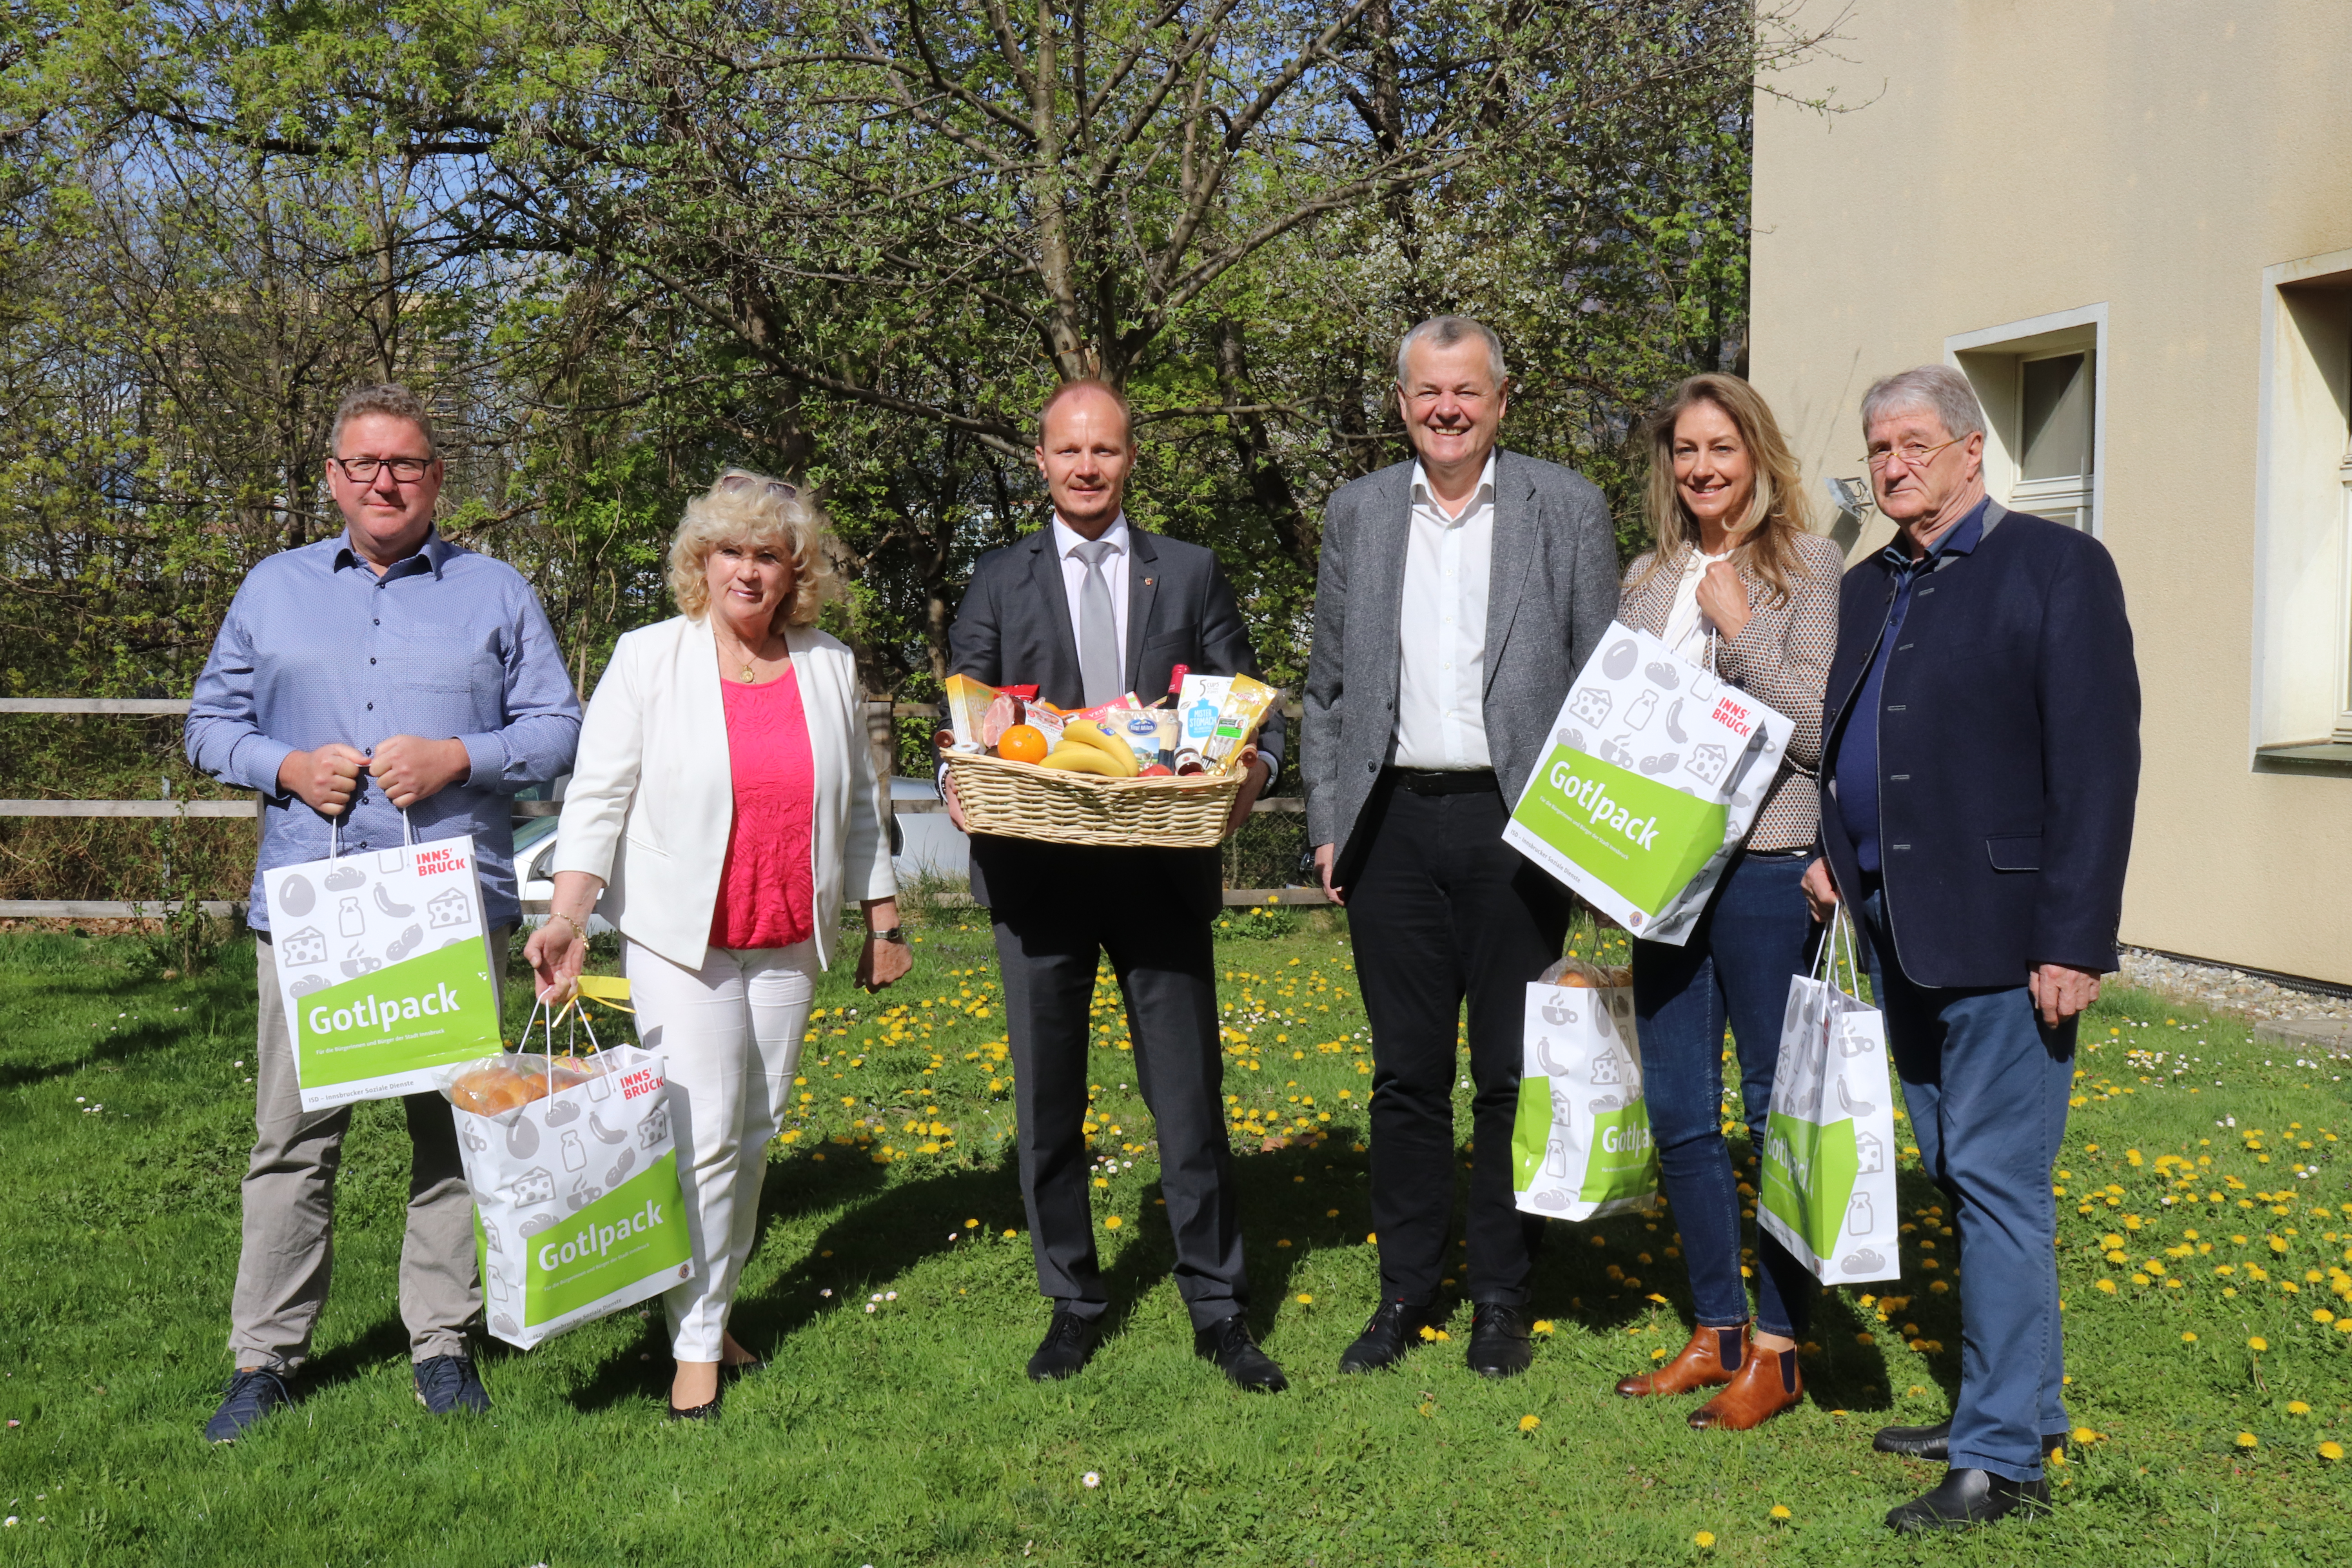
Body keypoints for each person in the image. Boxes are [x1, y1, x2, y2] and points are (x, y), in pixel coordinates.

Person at [186, 383, 581, 1442]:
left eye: (404, 463)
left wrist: (462, 756)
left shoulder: (496, 591)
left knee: (450, 1134)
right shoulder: (272, 589)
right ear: (332, 477)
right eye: (363, 463)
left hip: (447, 906)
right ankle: (266, 1358)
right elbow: (209, 726)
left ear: (437, 477)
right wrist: (283, 766)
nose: (384, 481)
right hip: (311, 909)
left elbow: (558, 727)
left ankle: (442, 1341)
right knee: (292, 1139)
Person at [1804, 365, 2138, 1531]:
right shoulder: (1869, 585)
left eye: (1914, 444)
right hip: (1900, 927)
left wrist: (2073, 937)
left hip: (2007, 936)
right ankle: (2020, 1408)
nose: (1893, 465)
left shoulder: (2057, 568)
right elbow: (1850, 744)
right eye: (1877, 449)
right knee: (1962, 1174)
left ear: (1970, 449)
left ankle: (2001, 1466)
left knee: (1999, 1182)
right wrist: (1835, 857)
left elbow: (2097, 766)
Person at [524, 470, 908, 1420]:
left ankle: (712, 1312)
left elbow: (860, 806)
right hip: (679, 937)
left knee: (755, 1133)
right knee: (702, 1140)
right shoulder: (649, 657)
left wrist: (883, 919)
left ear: (794, 573)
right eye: (730, 550)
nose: (748, 570)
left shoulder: (828, 664)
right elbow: (598, 797)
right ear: (702, 562)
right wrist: (569, 916)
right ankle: (695, 1350)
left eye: (768, 554)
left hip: (788, 932)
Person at [940, 377, 1286, 1390]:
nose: (1087, 467)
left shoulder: (1190, 571)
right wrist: (958, 774)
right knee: (1047, 1105)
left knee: (1189, 1102)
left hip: (1160, 871)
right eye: (1069, 450)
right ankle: (1073, 1300)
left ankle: (1218, 1306)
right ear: (1040, 459)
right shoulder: (996, 577)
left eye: (1105, 449)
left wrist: (1256, 772)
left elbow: (1247, 706)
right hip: (1035, 872)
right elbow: (962, 717)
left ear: (1131, 458)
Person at [1301, 317, 1618, 1378]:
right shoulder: (1357, 512)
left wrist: (1594, 839)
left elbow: (1601, 680)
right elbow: (1327, 688)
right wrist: (1330, 824)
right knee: (1406, 1074)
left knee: (1512, 1072)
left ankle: (1501, 1294)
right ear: (1402, 403)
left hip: (1518, 824)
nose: (1448, 409)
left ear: (1502, 400)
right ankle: (1405, 1290)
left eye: (1467, 391)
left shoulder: (1565, 507)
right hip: (1390, 822)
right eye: (1429, 392)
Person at [1608, 373, 1841, 1428]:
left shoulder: (1808, 567)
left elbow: (1820, 733)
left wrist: (1740, 629)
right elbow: (1617, 725)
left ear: (1758, 456)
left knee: (1772, 1111)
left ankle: (1781, 1348)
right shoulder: (1648, 577)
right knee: (1678, 1110)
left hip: (1763, 870)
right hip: (1662, 872)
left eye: (1722, 448)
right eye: (1686, 451)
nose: (1703, 468)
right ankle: (1719, 1328)